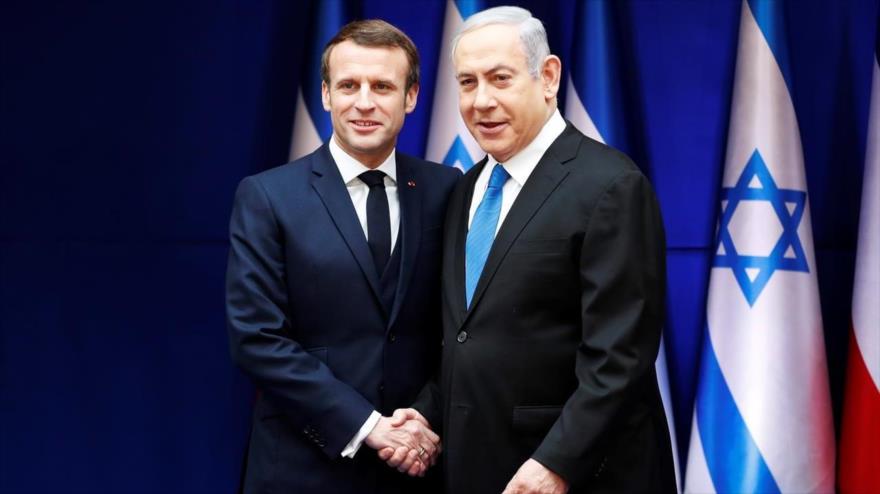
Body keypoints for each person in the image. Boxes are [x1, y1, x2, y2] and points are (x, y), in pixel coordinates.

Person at [401, 6, 675, 494]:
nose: (480, 101)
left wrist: (558, 463)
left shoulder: (610, 186)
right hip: (477, 469)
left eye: (499, 78)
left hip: (579, 475)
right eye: (467, 83)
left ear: (548, 77)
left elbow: (620, 357)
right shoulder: (465, 192)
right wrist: (423, 414)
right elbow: (468, 339)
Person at [225, 19, 459, 494]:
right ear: (327, 94)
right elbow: (257, 338)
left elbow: (461, 327)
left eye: (383, 86)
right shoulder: (268, 196)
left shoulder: (448, 191)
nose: (365, 102)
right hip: (301, 469)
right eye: (349, 85)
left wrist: (420, 423)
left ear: (411, 97)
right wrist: (369, 425)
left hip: (417, 468)